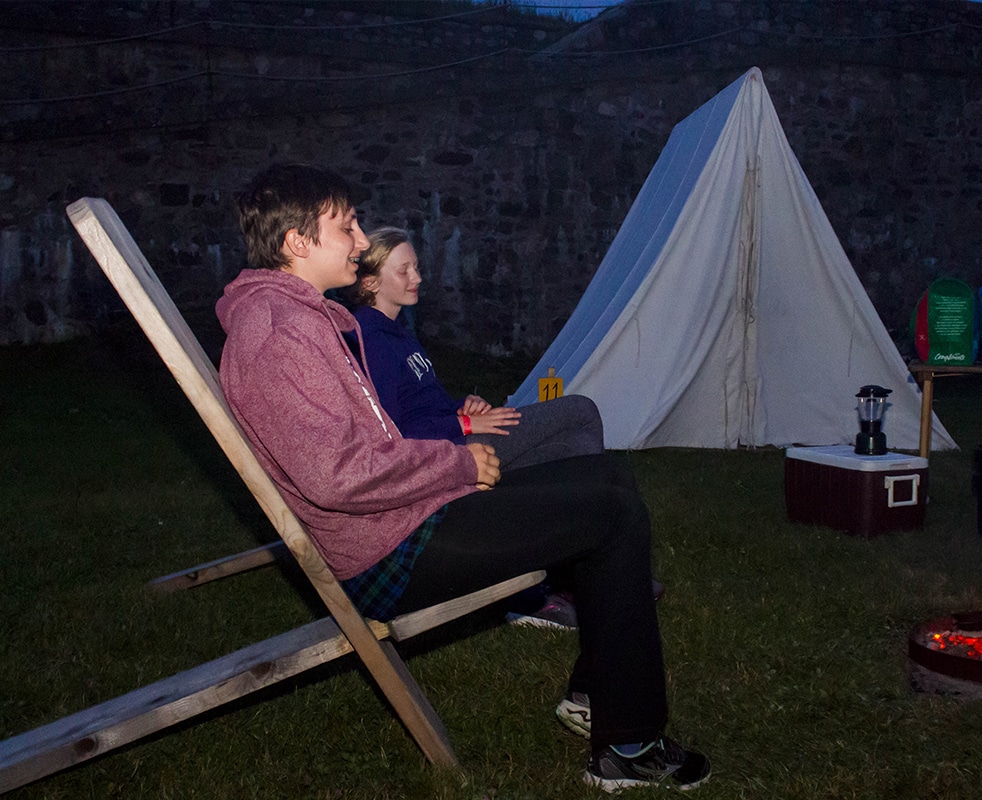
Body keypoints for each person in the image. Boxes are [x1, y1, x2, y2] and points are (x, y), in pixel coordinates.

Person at [215, 163, 708, 792]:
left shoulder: (298, 319)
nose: (361, 241)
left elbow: (365, 447)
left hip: (409, 515)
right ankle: (629, 745)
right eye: (347, 227)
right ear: (296, 242)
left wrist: (449, 463)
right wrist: (458, 462)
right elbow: (338, 475)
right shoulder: (279, 335)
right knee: (611, 515)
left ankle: (598, 697)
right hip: (392, 551)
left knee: (607, 476)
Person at [338, 225, 605, 630]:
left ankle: (563, 575)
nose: (417, 277)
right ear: (371, 282)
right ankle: (579, 571)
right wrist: (462, 422)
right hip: (446, 454)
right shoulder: (369, 338)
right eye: (404, 270)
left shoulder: (398, 332)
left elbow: (423, 404)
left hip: (458, 433)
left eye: (416, 267)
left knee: (570, 446)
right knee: (580, 412)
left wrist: (462, 405)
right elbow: (393, 431)